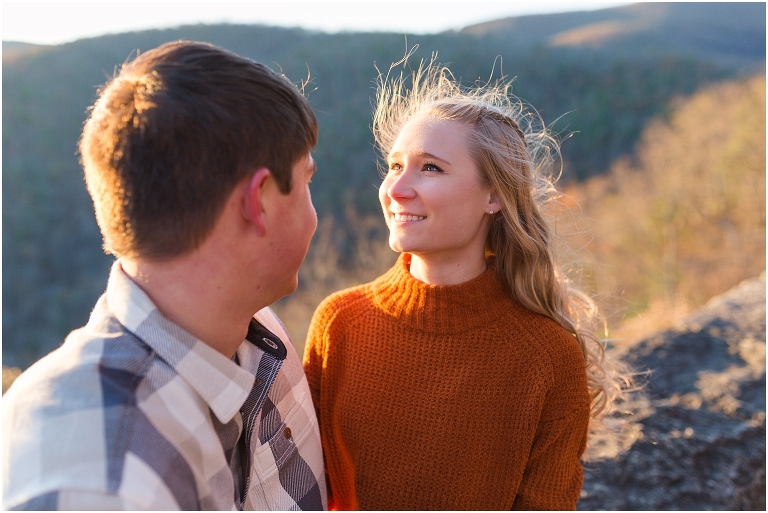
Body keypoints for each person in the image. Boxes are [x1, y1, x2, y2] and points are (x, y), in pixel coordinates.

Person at [3, 41, 327, 510]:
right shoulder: (97, 479)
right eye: (307, 182)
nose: (314, 216)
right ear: (259, 202)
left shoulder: (260, 338)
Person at [303, 62, 629, 510]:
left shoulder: (548, 355)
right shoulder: (339, 323)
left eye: (430, 168)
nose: (396, 189)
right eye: (395, 165)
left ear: (494, 195)